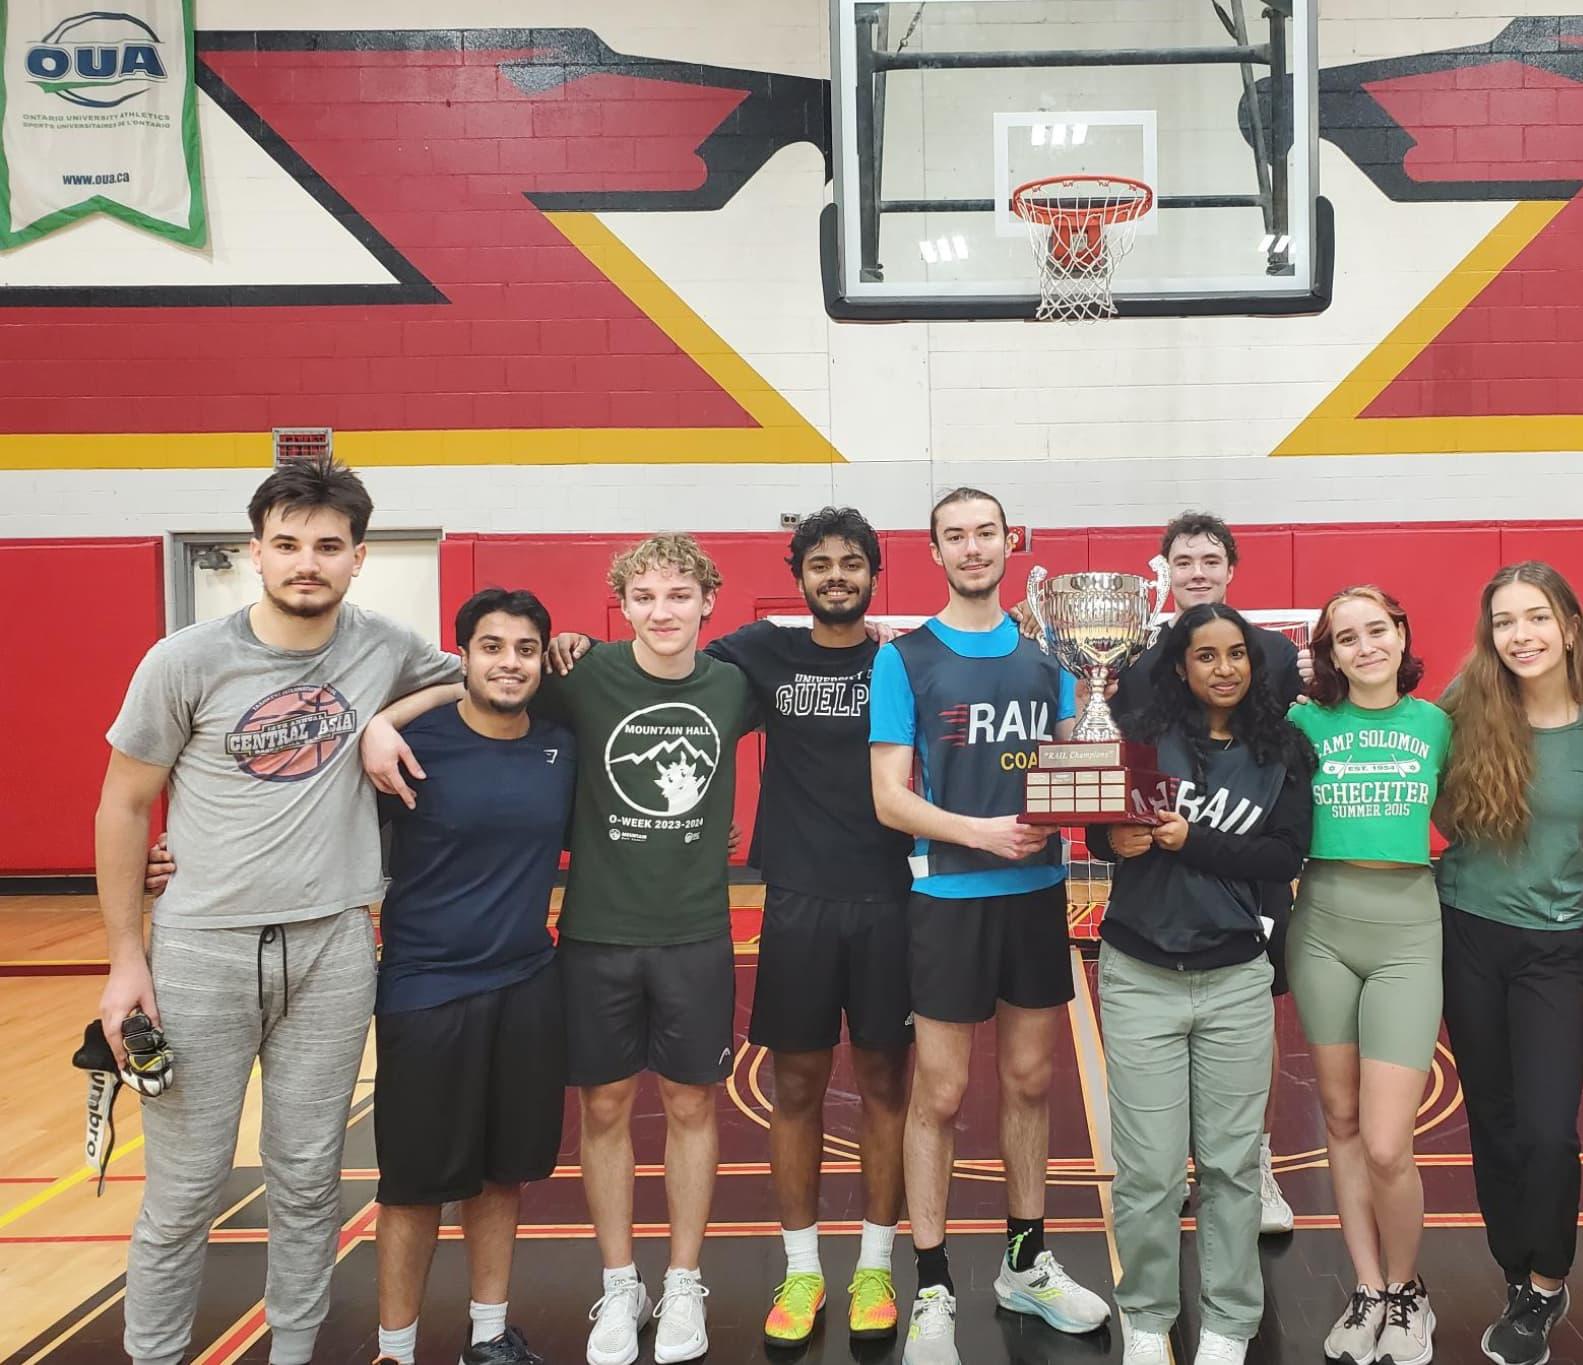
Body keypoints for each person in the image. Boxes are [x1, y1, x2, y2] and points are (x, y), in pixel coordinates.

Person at [95, 458, 461, 1365]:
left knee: (307, 1180)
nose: (309, 562)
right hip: (199, 952)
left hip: (334, 947)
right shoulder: (186, 659)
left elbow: (470, 678)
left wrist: (387, 717)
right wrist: (124, 958)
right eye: (288, 544)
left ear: (359, 556)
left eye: (328, 546)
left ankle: (293, 1350)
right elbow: (122, 806)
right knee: (184, 1189)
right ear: (254, 553)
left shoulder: (382, 644)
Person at [365, 534, 754, 1365]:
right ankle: (621, 1283)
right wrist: (380, 721)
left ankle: (682, 1280)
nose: (662, 610)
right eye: (644, 595)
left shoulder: (731, 683)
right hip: (588, 937)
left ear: (707, 602)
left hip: (694, 933)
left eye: (679, 595)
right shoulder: (582, 679)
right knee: (603, 1113)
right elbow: (467, 693)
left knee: (690, 1108)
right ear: (621, 605)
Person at [547, 507, 913, 1351]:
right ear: (798, 577)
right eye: (819, 563)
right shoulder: (756, 656)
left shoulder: (900, 659)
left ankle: (872, 1265)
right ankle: (797, 1266)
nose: (836, 576)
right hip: (788, 899)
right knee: (789, 1089)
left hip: (887, 896)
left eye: (851, 563)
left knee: (885, 1087)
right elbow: (500, 678)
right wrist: (563, 639)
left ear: (873, 573)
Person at [869, 488, 1110, 1365]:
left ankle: (1024, 1260)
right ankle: (933, 1280)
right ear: (933, 551)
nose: (973, 549)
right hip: (947, 900)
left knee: (1031, 1081)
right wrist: (979, 831)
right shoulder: (907, 659)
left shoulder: (1055, 653)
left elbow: (1079, 763)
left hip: (1038, 894)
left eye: (985, 534)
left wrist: (1071, 803)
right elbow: (889, 796)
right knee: (938, 1092)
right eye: (954, 537)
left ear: (1012, 542)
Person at [1086, 604, 1313, 1365]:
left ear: (1254, 663)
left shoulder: (1283, 749)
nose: (1223, 667)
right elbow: (1096, 825)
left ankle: (1229, 1319)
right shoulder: (1146, 737)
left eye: (1237, 653)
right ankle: (1147, 1317)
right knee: (1148, 1169)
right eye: (1205, 654)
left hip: (1235, 978)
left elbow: (1284, 856)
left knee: (1229, 1163)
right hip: (1140, 971)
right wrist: (1108, 837)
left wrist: (1194, 839)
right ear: (1179, 665)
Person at [354, 589, 574, 1365]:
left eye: (523, 648)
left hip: (524, 983)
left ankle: (488, 1335)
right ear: (465, 655)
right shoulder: (409, 744)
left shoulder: (559, 743)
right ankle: (396, 1348)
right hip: (426, 988)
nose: (507, 662)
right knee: (413, 1185)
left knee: (501, 1172)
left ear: (540, 659)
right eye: (491, 646)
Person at [1433, 564, 1583, 1365]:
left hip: (1556, 944)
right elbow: (1426, 787)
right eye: (1505, 620)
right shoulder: (1464, 708)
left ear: (1571, 626)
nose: (1521, 634)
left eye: (1537, 617)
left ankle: (1550, 1280)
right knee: (1495, 1117)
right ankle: (1520, 1271)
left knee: (1549, 1129)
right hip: (1467, 929)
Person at [1109, 511, 1309, 1236]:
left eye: (1211, 559)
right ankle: (1170, 1170)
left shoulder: (1274, 659)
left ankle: (1251, 1160)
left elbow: (1282, 757)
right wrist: (1112, 838)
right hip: (1157, 881)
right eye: (1184, 559)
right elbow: (1118, 774)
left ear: (1231, 569)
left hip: (1247, 873)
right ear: (1164, 571)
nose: (1198, 570)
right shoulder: (1133, 658)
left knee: (1254, 1018)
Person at [1287, 586, 1450, 1365]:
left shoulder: (1437, 724)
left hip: (1408, 932)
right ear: (1329, 652)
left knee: (1389, 1141)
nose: (1363, 646)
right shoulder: (1304, 723)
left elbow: (1469, 812)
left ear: (1401, 632)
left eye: (1375, 630)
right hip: (1321, 924)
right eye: (1344, 637)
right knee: (1343, 1120)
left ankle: (1409, 1288)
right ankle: (1368, 1288)